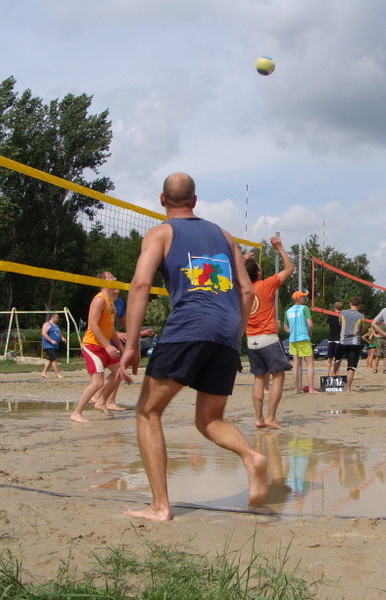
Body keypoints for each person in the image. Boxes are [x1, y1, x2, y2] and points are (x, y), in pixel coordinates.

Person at [119, 172, 268, 522]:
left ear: (161, 199)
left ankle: (160, 507)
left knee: (147, 412)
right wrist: (235, 335)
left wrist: (130, 343)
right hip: (227, 334)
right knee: (210, 419)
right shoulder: (223, 234)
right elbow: (247, 292)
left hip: (188, 328)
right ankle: (250, 455)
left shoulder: (160, 233)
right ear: (195, 201)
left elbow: (140, 285)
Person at [244, 235, 294, 429]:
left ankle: (258, 419)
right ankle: (271, 417)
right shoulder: (265, 284)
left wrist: (242, 261)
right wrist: (280, 248)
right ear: (258, 272)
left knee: (258, 378)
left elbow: (234, 274)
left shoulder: (242, 289)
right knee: (278, 376)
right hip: (267, 338)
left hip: (251, 340)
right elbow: (289, 269)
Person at [69, 272, 128, 422]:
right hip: (92, 345)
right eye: (111, 277)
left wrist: (121, 348)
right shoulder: (99, 300)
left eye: (114, 276)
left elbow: (111, 329)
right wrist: (108, 346)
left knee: (119, 373)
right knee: (97, 382)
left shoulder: (111, 301)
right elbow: (93, 325)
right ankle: (76, 413)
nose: (115, 279)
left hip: (103, 346)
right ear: (102, 283)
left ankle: (102, 402)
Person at [284, 291, 320, 394]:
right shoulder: (304, 308)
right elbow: (310, 324)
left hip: (292, 340)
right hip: (303, 338)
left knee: (296, 364)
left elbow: (285, 328)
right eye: (303, 297)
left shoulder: (288, 311)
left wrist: (294, 330)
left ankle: (296, 389)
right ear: (298, 298)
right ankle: (311, 389)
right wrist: (310, 329)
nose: (305, 299)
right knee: (310, 364)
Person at [332, 296, 365, 393]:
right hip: (355, 342)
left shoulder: (342, 313)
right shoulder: (361, 316)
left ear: (350, 303)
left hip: (343, 341)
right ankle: (348, 388)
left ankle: (334, 373)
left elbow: (340, 324)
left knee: (337, 359)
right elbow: (362, 329)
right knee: (351, 366)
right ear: (359, 305)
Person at [40, 313, 66, 379]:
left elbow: (59, 333)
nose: (58, 319)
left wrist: (62, 338)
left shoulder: (56, 326)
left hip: (55, 346)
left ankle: (44, 373)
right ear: (52, 317)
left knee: (50, 360)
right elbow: (43, 333)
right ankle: (57, 374)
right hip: (48, 345)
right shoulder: (47, 324)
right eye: (57, 317)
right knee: (54, 359)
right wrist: (51, 340)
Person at [325, 302, 343, 376]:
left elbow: (329, 325)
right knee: (337, 359)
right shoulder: (342, 316)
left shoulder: (330, 316)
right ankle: (336, 374)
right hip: (338, 339)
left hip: (331, 339)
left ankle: (327, 375)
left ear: (334, 307)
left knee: (329, 359)